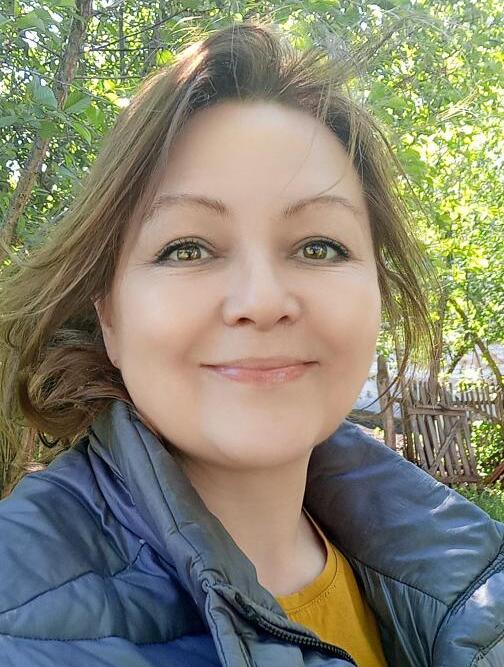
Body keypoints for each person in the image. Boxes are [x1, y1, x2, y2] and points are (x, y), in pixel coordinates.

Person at [0, 21, 502, 667]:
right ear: (109, 317)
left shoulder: (470, 566)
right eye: (187, 248)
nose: (262, 301)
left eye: (319, 246)